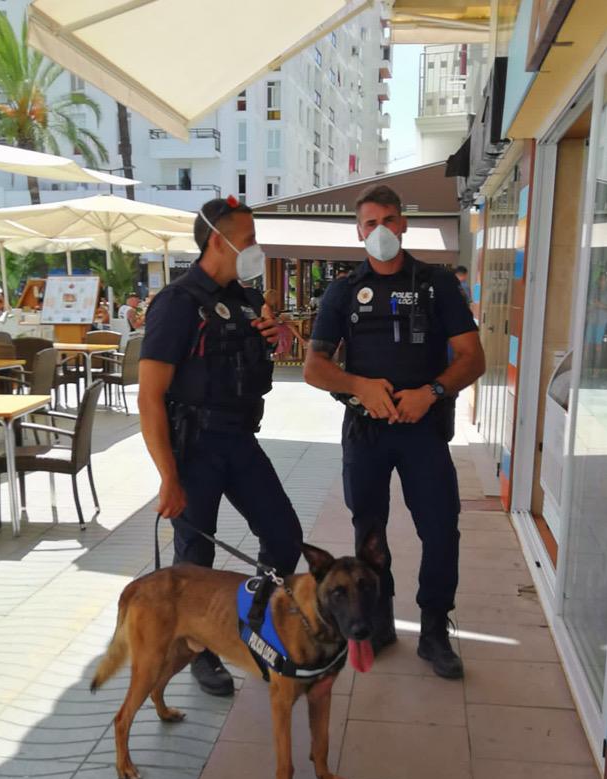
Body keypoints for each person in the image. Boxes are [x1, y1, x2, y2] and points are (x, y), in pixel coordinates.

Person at [304, 184, 485, 680]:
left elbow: (474, 358)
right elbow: (314, 368)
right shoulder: (343, 290)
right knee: (370, 535)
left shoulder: (437, 283)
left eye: (388, 220)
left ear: (403, 224)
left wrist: (433, 391)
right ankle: (377, 624)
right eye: (369, 223)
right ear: (358, 230)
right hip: (366, 432)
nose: (379, 230)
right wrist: (359, 385)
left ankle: (433, 631)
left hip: (423, 428)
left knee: (441, 530)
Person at [138, 195, 303, 696]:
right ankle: (198, 649)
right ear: (219, 240)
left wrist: (283, 336)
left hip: (239, 439)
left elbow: (263, 352)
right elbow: (150, 397)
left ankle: (256, 625)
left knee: (284, 536)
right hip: (196, 444)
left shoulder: (249, 298)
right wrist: (168, 476)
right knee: (194, 554)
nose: (256, 250)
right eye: (249, 240)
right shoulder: (177, 303)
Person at [261, 287, 307, 360]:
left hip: (272, 326)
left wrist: (279, 318)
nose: (276, 301)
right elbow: (271, 320)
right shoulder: (266, 307)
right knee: (289, 327)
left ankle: (301, 341)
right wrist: (280, 319)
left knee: (289, 325)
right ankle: (301, 341)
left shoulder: (266, 307)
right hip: (271, 327)